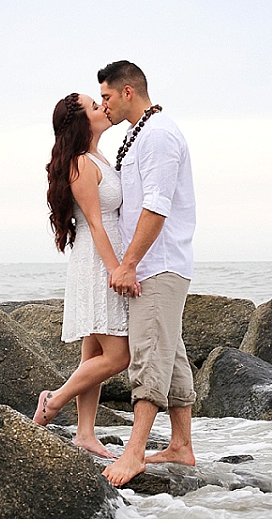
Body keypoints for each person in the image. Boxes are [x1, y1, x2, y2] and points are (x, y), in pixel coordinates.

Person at [97, 61, 197, 486]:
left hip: (158, 265)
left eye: (106, 97)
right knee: (170, 352)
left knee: (149, 354)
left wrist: (129, 263)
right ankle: (181, 446)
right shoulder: (141, 135)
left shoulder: (157, 136)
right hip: (156, 264)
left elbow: (157, 206)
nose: (103, 106)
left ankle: (133, 452)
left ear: (127, 92)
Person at [37, 92, 137, 459]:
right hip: (98, 262)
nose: (103, 108)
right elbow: (95, 224)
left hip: (104, 255)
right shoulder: (80, 163)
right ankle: (54, 400)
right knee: (118, 356)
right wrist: (116, 271)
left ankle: (84, 434)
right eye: (95, 107)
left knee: (92, 353)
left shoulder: (97, 158)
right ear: (81, 121)